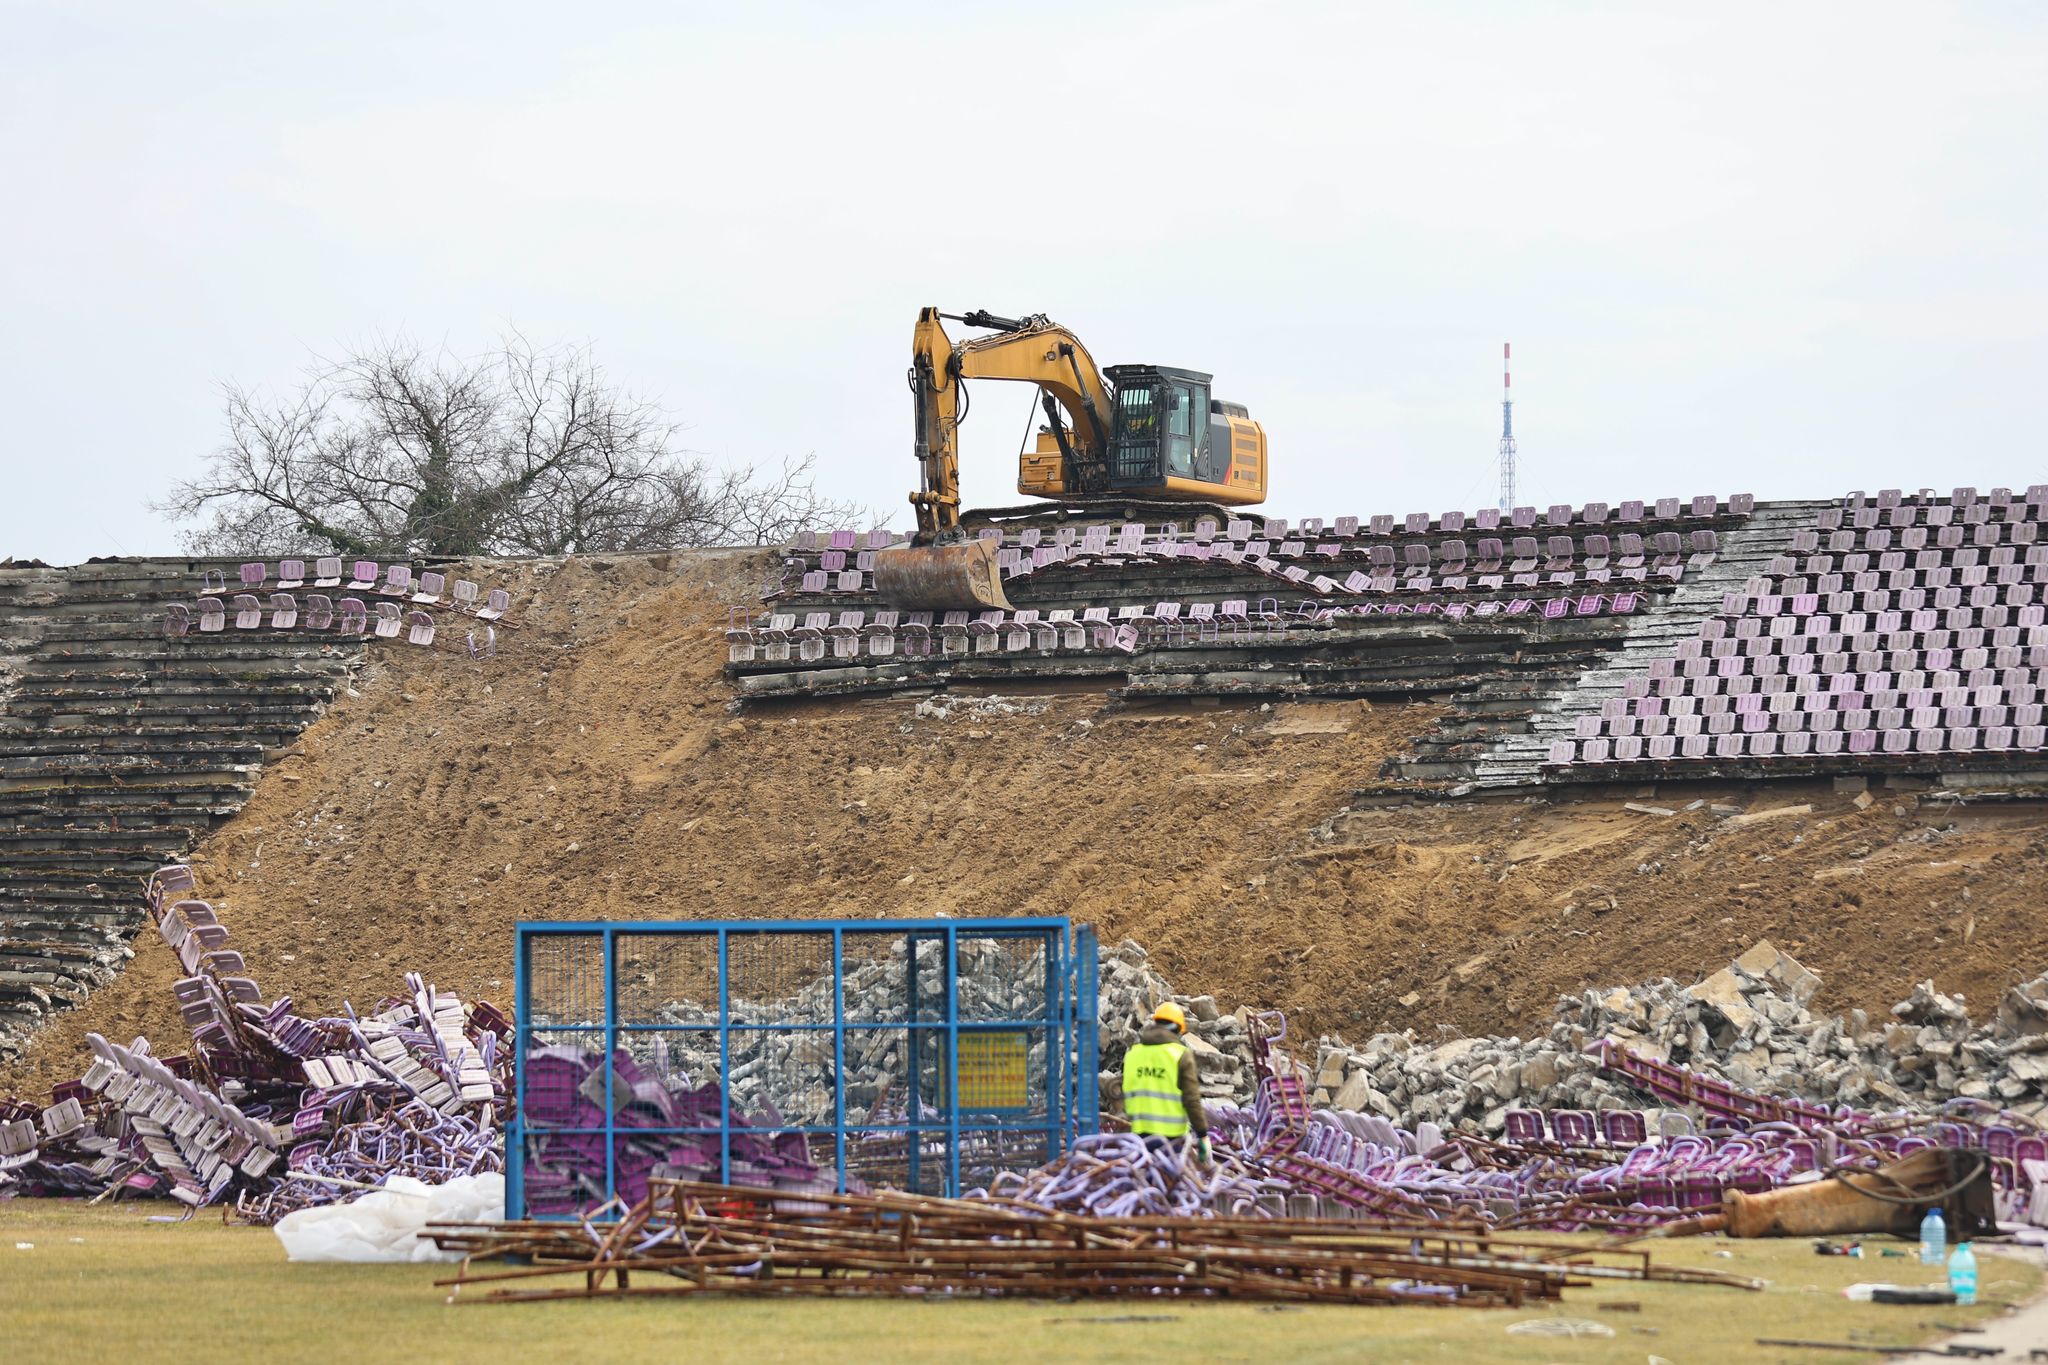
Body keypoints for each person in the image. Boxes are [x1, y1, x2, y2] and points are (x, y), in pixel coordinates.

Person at [1122, 1002, 1211, 1165]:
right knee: (1168, 1185)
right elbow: (1192, 1100)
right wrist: (1202, 1135)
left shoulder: (1133, 1054)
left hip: (1138, 1136)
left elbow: (1126, 1093)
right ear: (1178, 1029)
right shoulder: (1180, 1055)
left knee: (1144, 1184)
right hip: (1171, 1141)